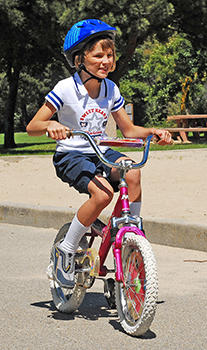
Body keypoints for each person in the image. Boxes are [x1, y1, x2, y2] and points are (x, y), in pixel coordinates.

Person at [26, 19, 172, 289]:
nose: (106, 61)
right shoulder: (65, 88)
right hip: (71, 155)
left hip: (100, 152)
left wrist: (154, 132)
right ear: (80, 58)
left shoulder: (111, 89)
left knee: (134, 170)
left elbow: (128, 130)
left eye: (110, 55)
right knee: (103, 193)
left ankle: (132, 232)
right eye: (98, 55)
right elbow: (33, 126)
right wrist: (51, 125)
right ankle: (66, 250)